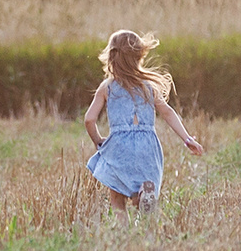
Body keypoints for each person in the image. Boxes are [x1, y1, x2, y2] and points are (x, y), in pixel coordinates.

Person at [82, 29, 203, 210]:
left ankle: (123, 225)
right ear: (139, 57)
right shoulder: (148, 87)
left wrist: (98, 141)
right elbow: (168, 113)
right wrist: (187, 139)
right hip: (147, 146)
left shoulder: (107, 87)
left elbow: (89, 120)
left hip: (119, 147)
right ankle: (144, 201)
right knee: (144, 188)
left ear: (111, 57)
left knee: (117, 198)